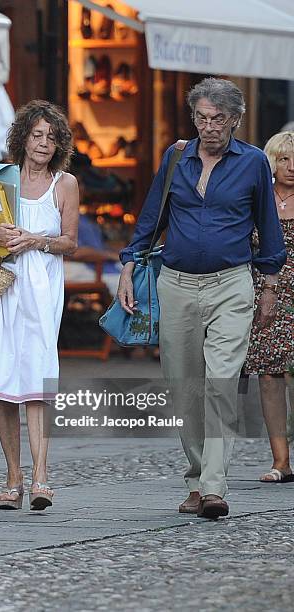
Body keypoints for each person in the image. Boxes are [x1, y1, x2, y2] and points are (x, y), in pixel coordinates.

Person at [118, 78, 287, 519]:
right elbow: (152, 216)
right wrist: (129, 263)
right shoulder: (176, 157)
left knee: (222, 382)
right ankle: (196, 477)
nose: (209, 127)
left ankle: (213, 486)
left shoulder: (252, 163)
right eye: (201, 118)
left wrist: (269, 286)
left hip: (232, 283)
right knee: (184, 387)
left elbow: (268, 226)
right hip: (175, 283)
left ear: (235, 120)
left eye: (218, 119)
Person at [0, 100, 79, 511]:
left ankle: (41, 477)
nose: (44, 143)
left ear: (59, 143)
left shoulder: (64, 184)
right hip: (3, 287)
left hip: (42, 289)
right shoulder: (1, 179)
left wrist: (35, 240)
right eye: (37, 135)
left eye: (51, 137)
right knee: (3, 381)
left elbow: (70, 241)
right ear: (22, 138)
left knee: (39, 379)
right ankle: (13, 477)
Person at [245, 132, 294, 482]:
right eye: (283, 159)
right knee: (268, 375)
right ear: (271, 162)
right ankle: (281, 461)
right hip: (265, 293)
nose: (291, 167)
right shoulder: (256, 199)